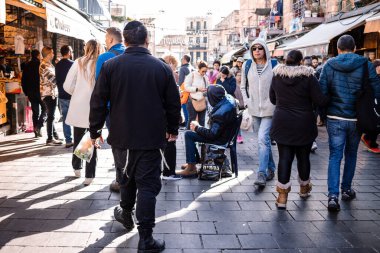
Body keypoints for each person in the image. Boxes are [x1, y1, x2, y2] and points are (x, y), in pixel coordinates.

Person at [89, 21, 180, 252]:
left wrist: (95, 131)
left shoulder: (111, 66)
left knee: (126, 178)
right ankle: (146, 239)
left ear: (125, 41)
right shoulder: (161, 67)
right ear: (146, 40)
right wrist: (173, 128)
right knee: (148, 186)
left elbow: (98, 101)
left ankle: (126, 214)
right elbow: (173, 103)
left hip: (121, 136)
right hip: (151, 137)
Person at [319, 35, 380, 212]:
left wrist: (323, 114)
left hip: (335, 117)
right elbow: (377, 88)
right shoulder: (365, 64)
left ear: (338, 49)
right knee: (351, 154)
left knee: (335, 156)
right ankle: (346, 189)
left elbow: (322, 92)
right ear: (354, 48)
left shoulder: (329, 65)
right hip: (357, 118)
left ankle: (332, 196)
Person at [270, 50, 329, 209]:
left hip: (282, 122)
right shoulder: (309, 77)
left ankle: (282, 197)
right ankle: (304, 188)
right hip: (304, 124)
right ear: (301, 61)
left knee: (284, 158)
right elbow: (320, 100)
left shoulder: (277, 76)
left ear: (286, 61)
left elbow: (272, 99)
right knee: (303, 158)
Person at [178, 85, 237, 177]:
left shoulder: (220, 113)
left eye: (208, 97)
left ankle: (191, 168)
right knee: (192, 133)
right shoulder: (227, 100)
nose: (207, 99)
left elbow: (212, 135)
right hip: (224, 134)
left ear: (213, 98)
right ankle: (193, 161)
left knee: (189, 134)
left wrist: (197, 128)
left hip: (220, 139)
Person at [64, 40, 101, 185]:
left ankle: (77, 168)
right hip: (95, 107)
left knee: (79, 137)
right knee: (92, 139)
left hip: (79, 106)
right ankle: (89, 175)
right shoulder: (101, 63)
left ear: (86, 48)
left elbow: (67, 85)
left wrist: (77, 92)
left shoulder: (79, 62)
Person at [240, 38, 276, 187]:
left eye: (260, 48)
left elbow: (279, 85)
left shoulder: (274, 64)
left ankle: (261, 173)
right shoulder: (247, 65)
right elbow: (243, 86)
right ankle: (272, 167)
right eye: (254, 49)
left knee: (262, 139)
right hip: (254, 109)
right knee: (264, 141)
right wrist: (248, 101)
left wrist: (277, 102)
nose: (257, 51)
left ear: (265, 49)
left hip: (270, 109)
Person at [95, 27, 126, 192]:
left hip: (112, 108)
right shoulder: (133, 54)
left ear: (111, 40)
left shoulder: (105, 57)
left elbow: (99, 88)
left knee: (117, 143)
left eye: (106, 39)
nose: (106, 42)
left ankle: (121, 180)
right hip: (134, 108)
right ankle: (131, 177)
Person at [160, 56, 182, 181]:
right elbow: (173, 103)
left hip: (159, 118)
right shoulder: (167, 74)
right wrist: (173, 128)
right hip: (165, 118)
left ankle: (166, 171)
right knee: (169, 143)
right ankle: (168, 172)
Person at [39, 46, 62, 146]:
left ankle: (54, 135)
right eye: (52, 53)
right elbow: (53, 80)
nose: (53, 54)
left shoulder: (47, 64)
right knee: (51, 116)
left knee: (51, 115)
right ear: (48, 54)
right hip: (48, 94)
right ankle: (49, 139)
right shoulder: (44, 66)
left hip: (50, 93)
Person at [21, 49, 46, 138]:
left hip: (31, 93)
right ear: (38, 55)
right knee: (46, 109)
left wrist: (26, 92)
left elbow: (23, 80)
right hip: (41, 92)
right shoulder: (41, 65)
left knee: (35, 112)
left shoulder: (27, 65)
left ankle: (36, 132)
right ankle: (38, 127)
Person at [55, 45, 74, 148]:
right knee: (75, 118)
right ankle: (77, 138)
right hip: (72, 95)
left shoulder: (57, 65)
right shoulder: (73, 64)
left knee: (66, 118)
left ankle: (68, 140)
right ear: (69, 52)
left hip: (62, 95)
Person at [360, 59, 380, 154]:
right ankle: (370, 140)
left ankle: (370, 140)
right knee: (375, 123)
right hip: (371, 102)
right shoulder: (371, 76)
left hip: (376, 101)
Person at [184, 61, 209, 129]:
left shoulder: (205, 77)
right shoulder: (192, 75)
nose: (204, 73)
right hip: (192, 101)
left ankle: (201, 137)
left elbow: (208, 87)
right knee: (192, 120)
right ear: (199, 69)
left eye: (205, 71)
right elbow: (186, 88)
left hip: (202, 101)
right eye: (203, 71)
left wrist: (207, 90)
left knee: (202, 121)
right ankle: (188, 136)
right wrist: (197, 89)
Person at [178, 54, 192, 128]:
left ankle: (187, 125)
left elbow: (180, 82)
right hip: (190, 90)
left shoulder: (182, 68)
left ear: (184, 60)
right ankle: (188, 124)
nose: (181, 60)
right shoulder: (191, 67)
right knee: (189, 109)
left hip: (184, 91)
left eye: (182, 59)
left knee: (185, 108)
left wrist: (180, 90)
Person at [234, 71, 245, 144]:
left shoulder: (244, 85)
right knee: (237, 122)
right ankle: (238, 136)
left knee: (242, 122)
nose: (240, 77)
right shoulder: (233, 85)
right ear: (235, 76)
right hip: (237, 106)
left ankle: (238, 136)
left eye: (241, 75)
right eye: (238, 75)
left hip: (244, 106)